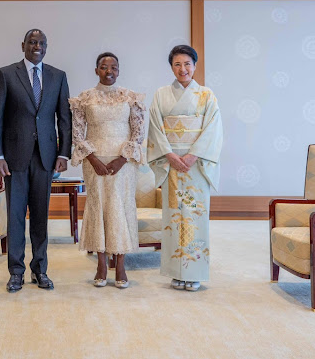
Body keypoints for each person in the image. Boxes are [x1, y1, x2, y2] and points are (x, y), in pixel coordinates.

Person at [0, 29, 72, 293]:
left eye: (42, 43)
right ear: (23, 45)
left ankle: (40, 269)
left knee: (40, 216)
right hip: (14, 158)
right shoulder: (6, 74)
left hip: (46, 157)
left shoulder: (58, 76)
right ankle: (16, 272)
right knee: (15, 216)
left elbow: (64, 119)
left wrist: (63, 153)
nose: (38, 46)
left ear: (47, 47)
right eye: (33, 42)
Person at [147, 45, 222, 292]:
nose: (183, 69)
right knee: (173, 217)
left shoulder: (207, 95)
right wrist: (169, 155)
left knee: (194, 215)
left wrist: (191, 156)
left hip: (195, 165)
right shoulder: (161, 94)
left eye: (187, 64)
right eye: (177, 64)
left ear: (195, 66)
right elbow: (156, 128)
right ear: (171, 67)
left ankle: (194, 270)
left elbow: (213, 129)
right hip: (171, 164)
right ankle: (176, 271)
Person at [69, 52, 145, 289]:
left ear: (119, 71)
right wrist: (93, 159)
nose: (109, 71)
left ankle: (120, 265)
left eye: (113, 67)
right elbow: (78, 133)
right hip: (94, 162)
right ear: (96, 70)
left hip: (123, 163)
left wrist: (121, 160)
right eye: (104, 67)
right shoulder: (85, 99)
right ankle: (101, 264)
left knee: (120, 207)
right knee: (98, 207)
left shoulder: (130, 97)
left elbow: (138, 132)